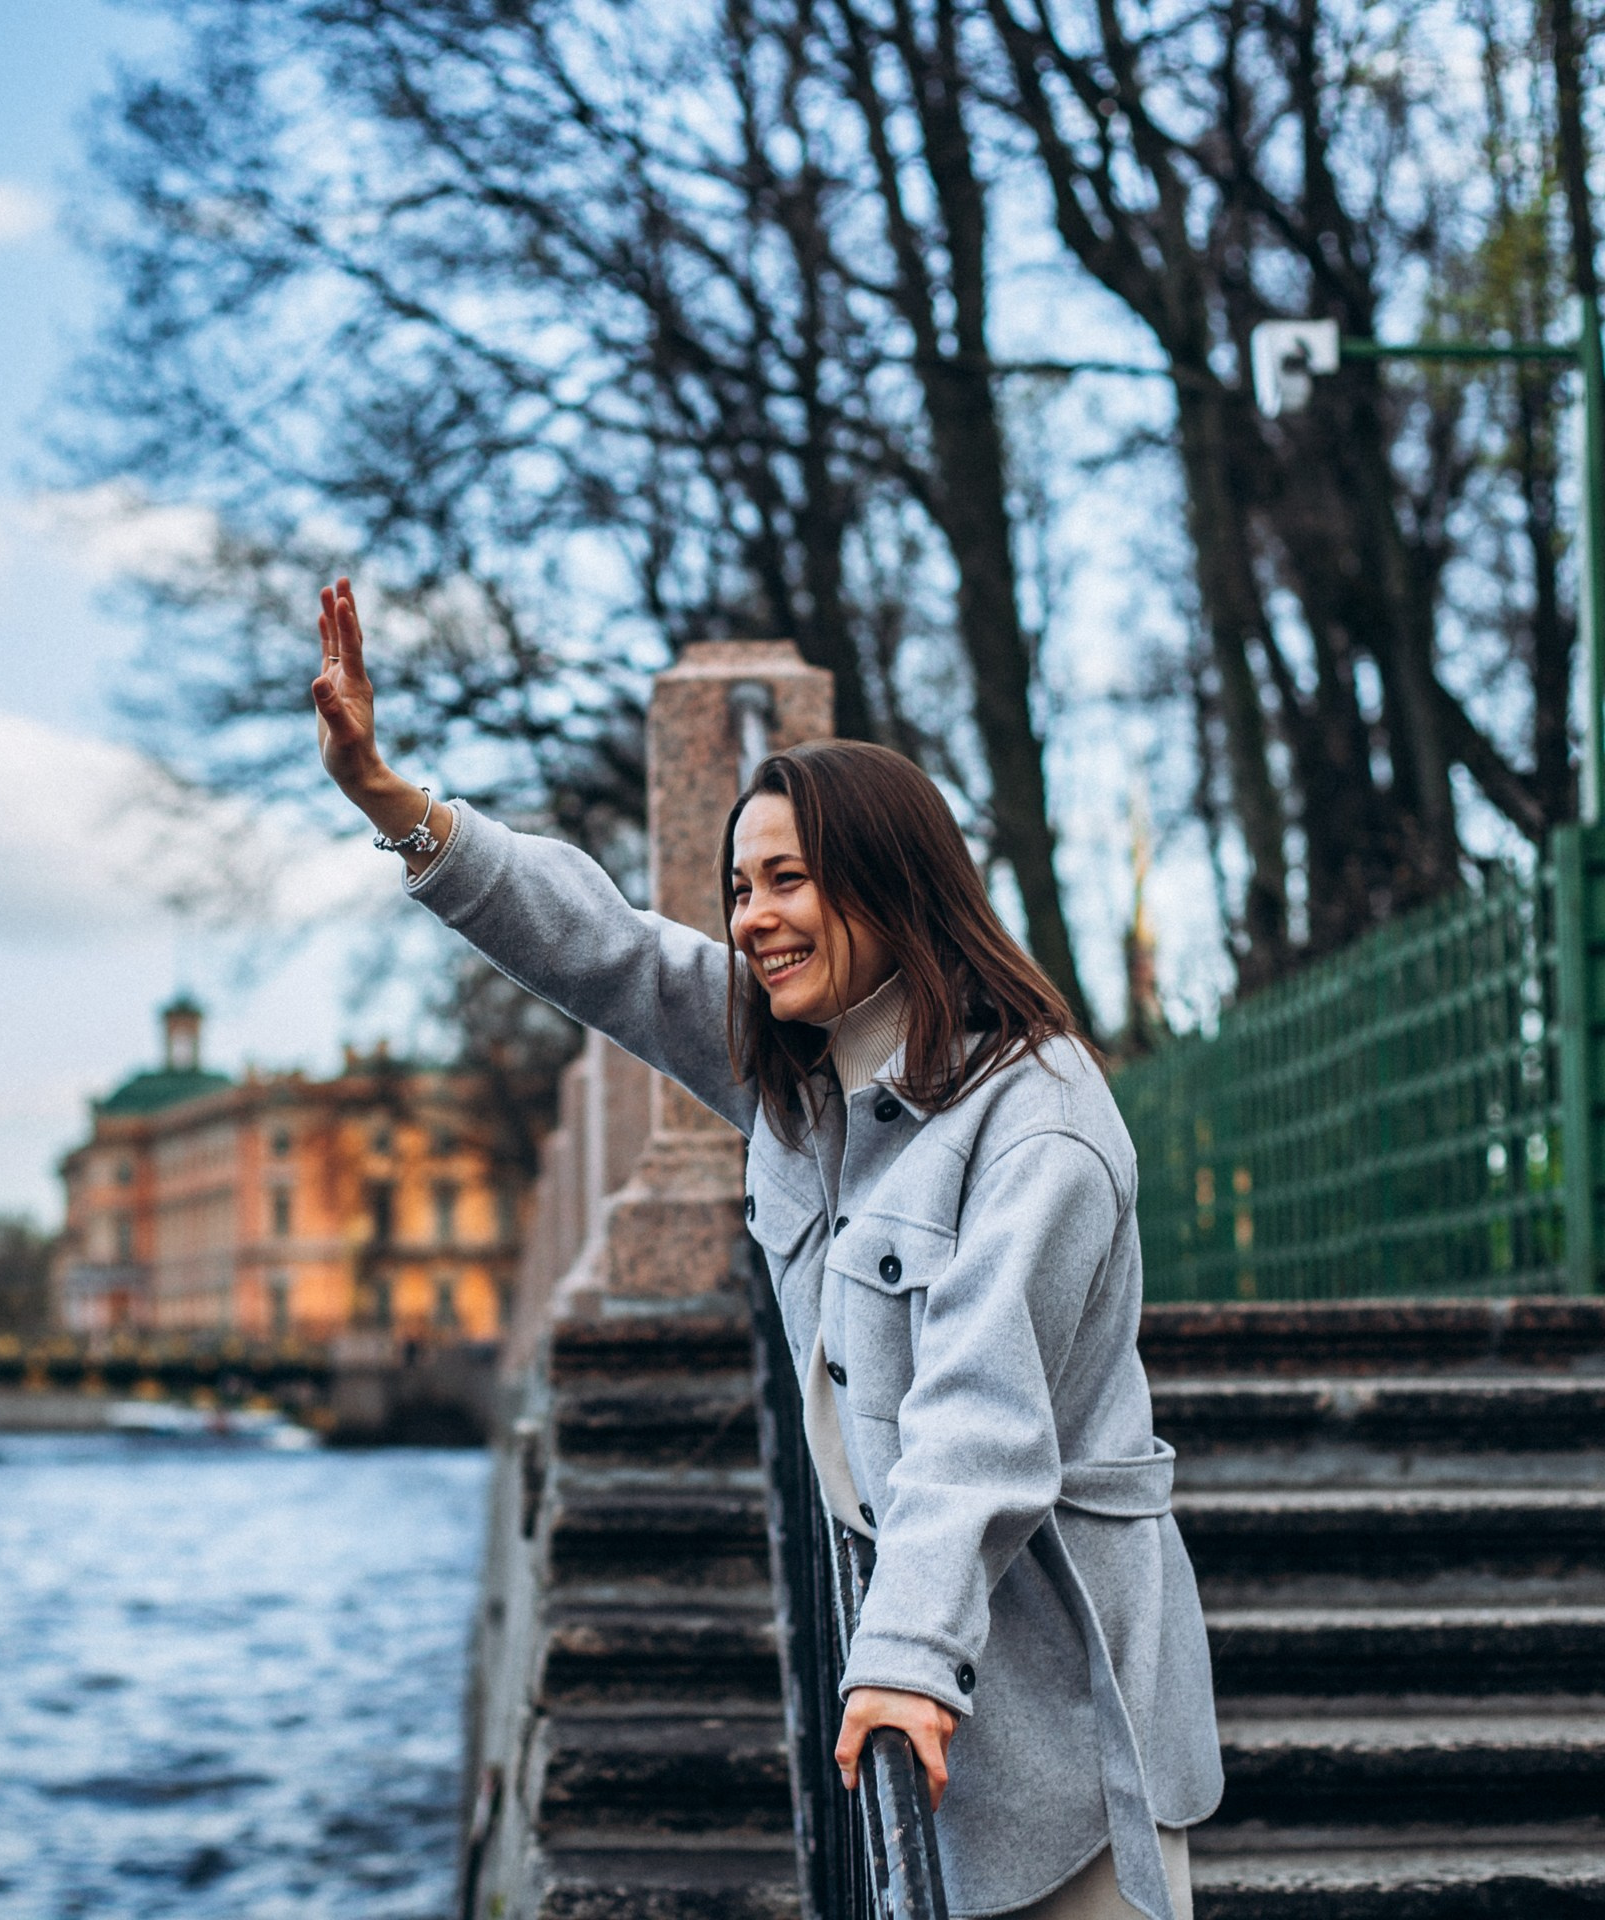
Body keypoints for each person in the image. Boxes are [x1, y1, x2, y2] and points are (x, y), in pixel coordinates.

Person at [310, 579, 1220, 1920]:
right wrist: (393, 800)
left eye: (788, 879)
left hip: (1059, 1710)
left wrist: (902, 1651)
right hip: (915, 1692)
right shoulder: (798, 1083)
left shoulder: (1041, 1124)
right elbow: (606, 952)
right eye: (741, 887)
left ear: (891, 882)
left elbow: (983, 1416)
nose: (751, 918)